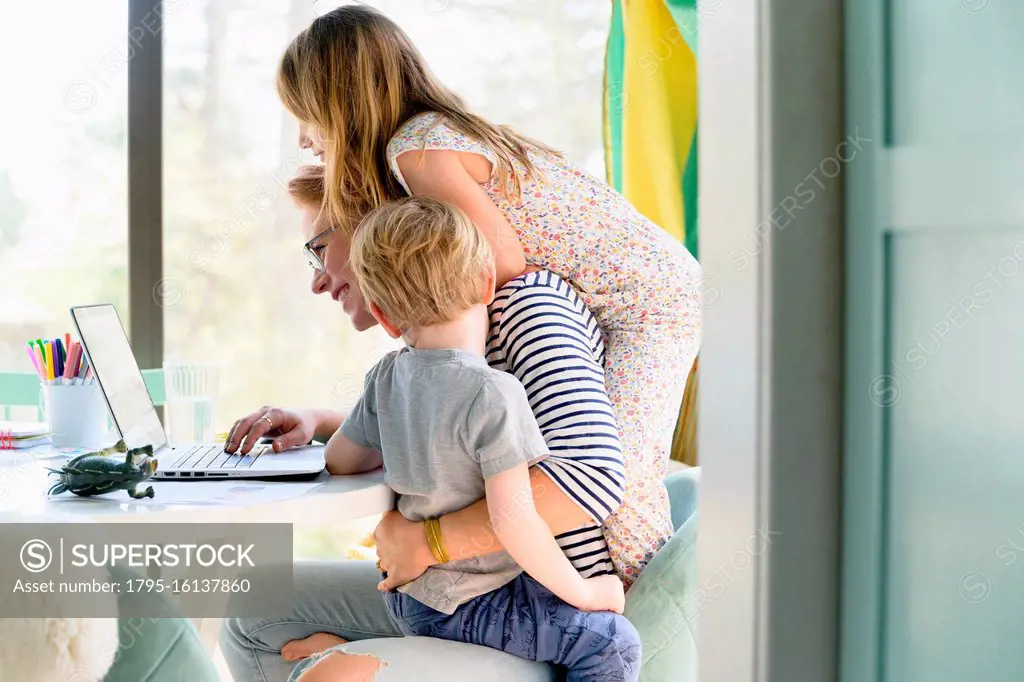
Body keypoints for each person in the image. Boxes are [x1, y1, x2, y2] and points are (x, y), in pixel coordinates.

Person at [276, 5, 701, 588]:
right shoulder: (432, 136)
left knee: (624, 476)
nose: (304, 137)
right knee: (616, 460)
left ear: (343, 103)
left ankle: (639, 623)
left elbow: (502, 261)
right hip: (643, 288)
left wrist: (444, 327)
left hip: (649, 299)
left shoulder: (414, 151)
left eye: (307, 117)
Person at [220, 166, 645, 682]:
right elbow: (515, 518)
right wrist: (586, 594)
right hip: (477, 599)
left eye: (316, 247)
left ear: (386, 316)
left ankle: (363, 648)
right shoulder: (494, 392)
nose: (315, 277)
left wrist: (423, 536)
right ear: (485, 280)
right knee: (613, 644)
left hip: (411, 597)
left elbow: (345, 458)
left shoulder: (388, 374)